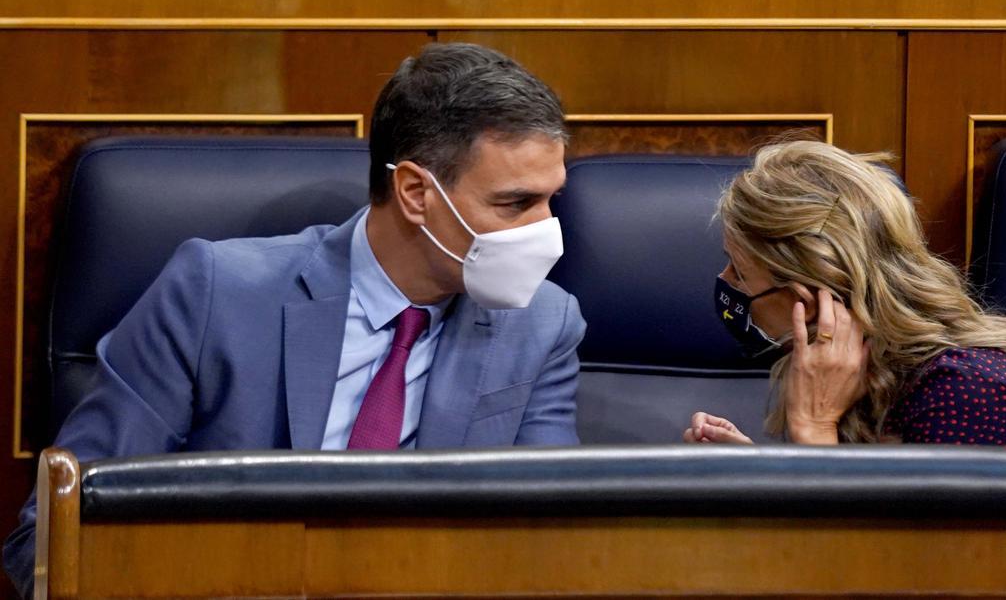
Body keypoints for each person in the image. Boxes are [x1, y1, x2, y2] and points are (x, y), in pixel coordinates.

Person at [4, 42, 586, 598]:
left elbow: (545, 542)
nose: (546, 231)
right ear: (415, 192)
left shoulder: (542, 324)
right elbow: (57, 536)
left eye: (551, 199)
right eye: (516, 203)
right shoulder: (215, 294)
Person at [687, 139, 1006, 450]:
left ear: (810, 302)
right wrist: (754, 477)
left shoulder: (963, 389)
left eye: (740, 272)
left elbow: (877, 565)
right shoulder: (867, 372)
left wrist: (812, 429)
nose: (725, 281)